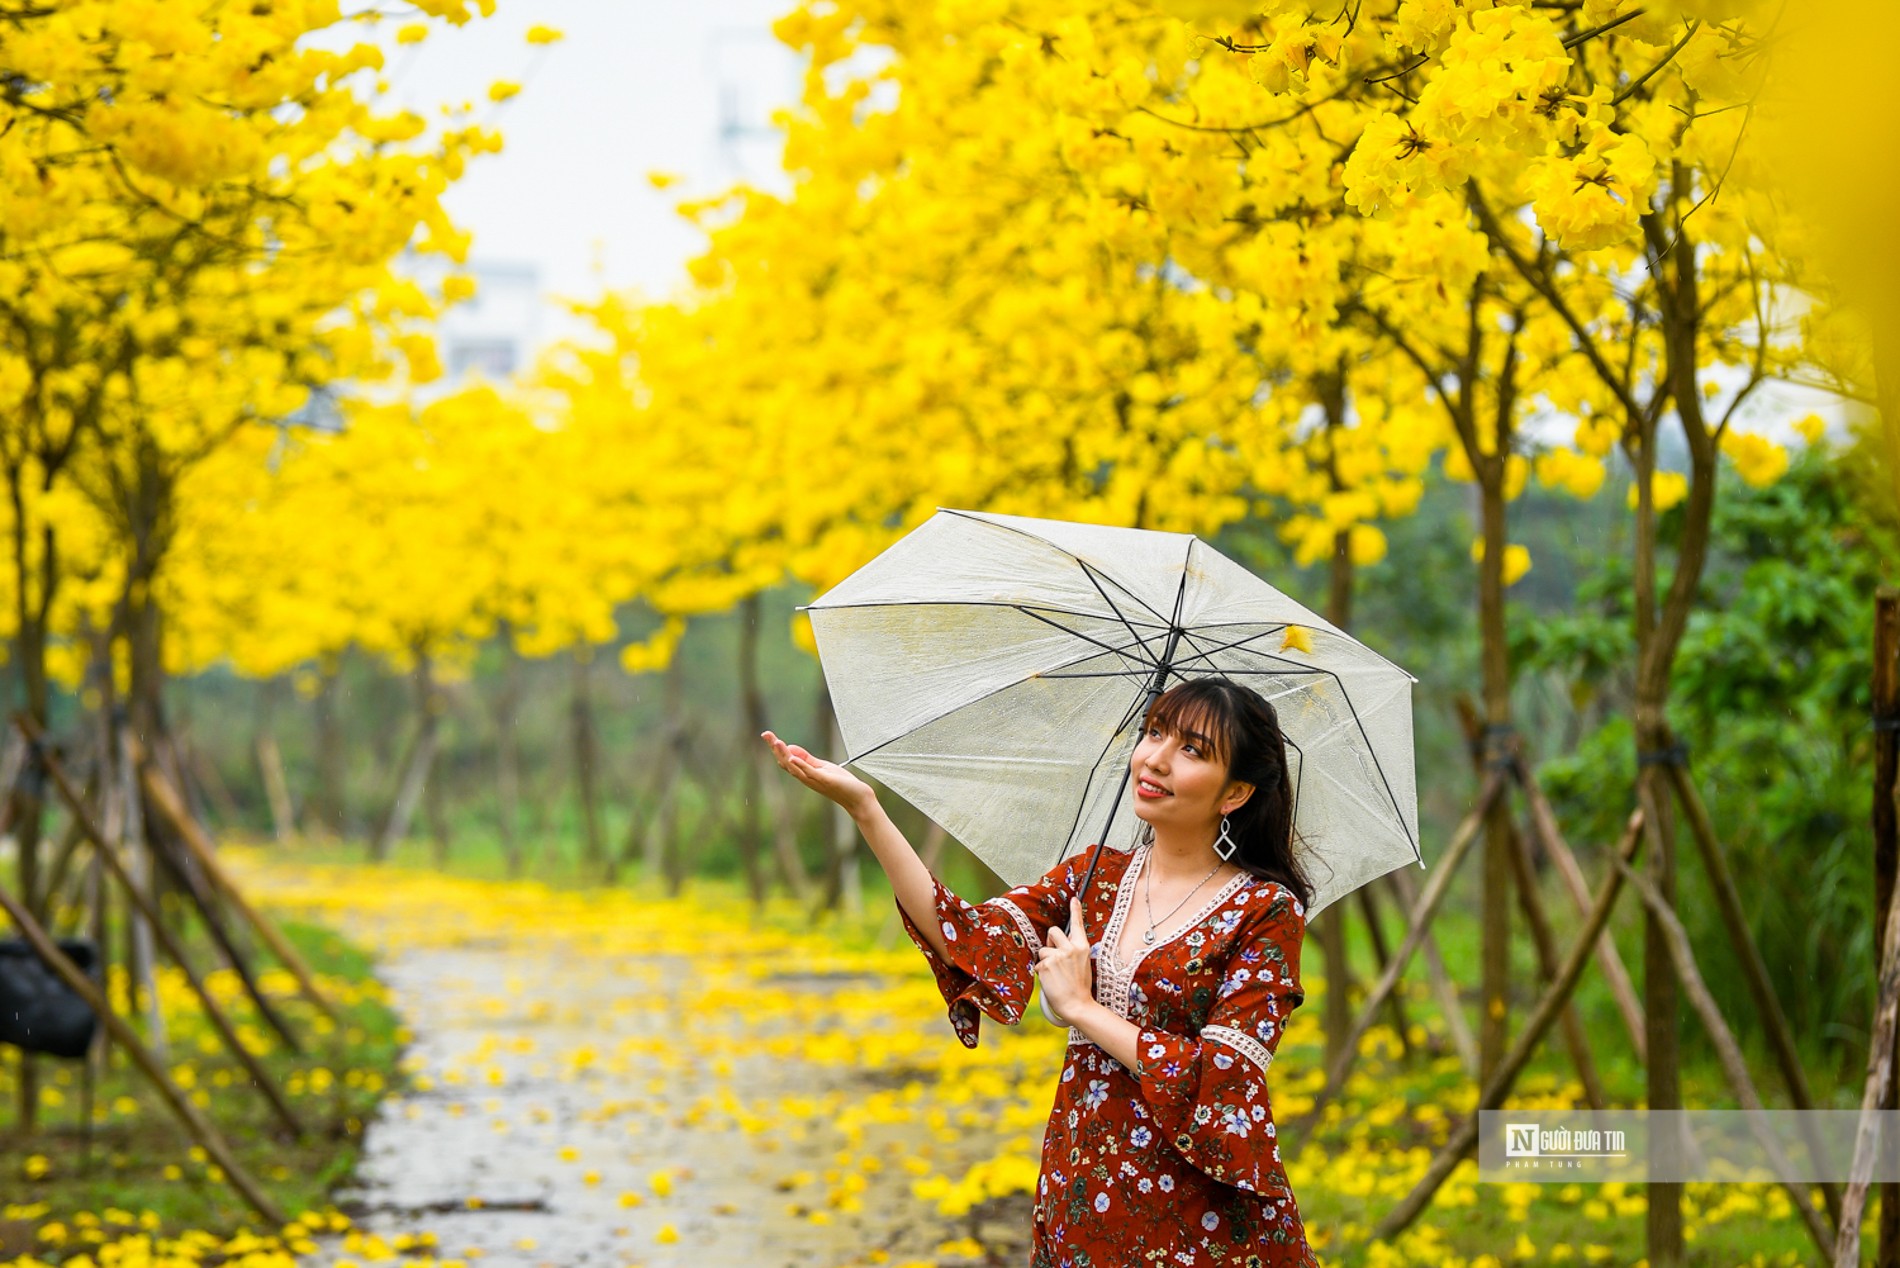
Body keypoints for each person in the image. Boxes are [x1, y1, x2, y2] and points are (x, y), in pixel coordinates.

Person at [762, 675, 1321, 1267]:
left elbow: (1226, 1080)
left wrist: (1084, 1009)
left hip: (1199, 1220)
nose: (1154, 759)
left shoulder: (1264, 911)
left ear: (1234, 793)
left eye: (1191, 749)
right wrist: (866, 808)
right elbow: (966, 938)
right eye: (1154, 732)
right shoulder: (1096, 879)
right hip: (1081, 1191)